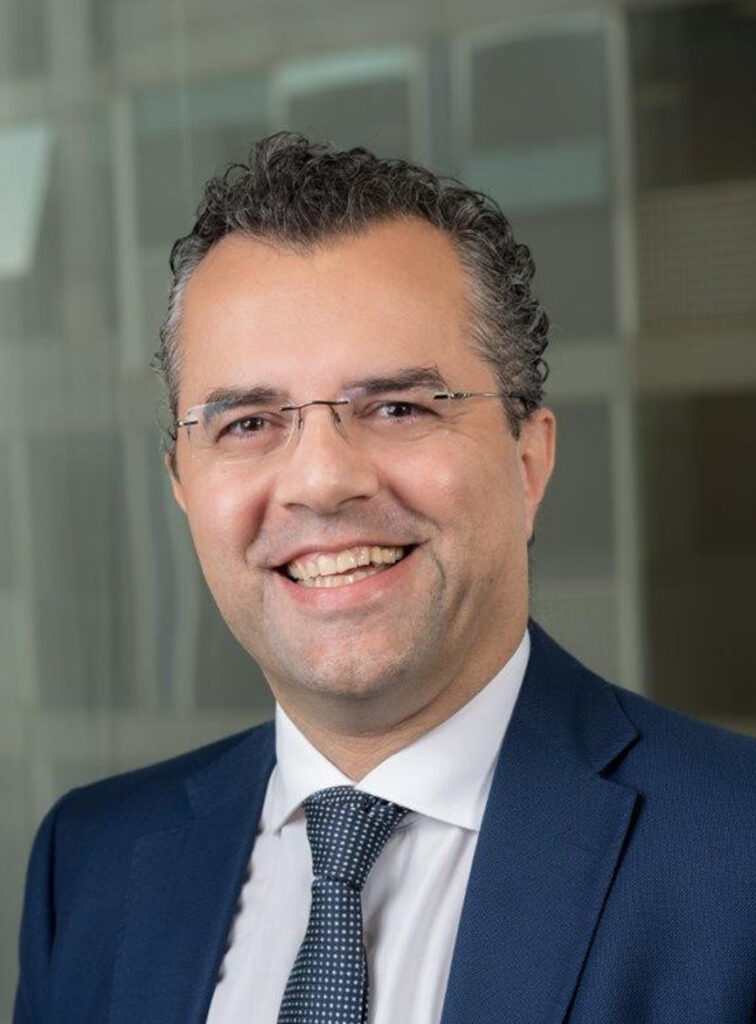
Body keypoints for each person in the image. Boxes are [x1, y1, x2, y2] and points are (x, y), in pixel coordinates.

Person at [14, 133, 756, 1024]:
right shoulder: (89, 865)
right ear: (182, 485)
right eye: (248, 423)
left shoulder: (735, 856)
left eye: (397, 407)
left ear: (527, 460)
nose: (322, 481)